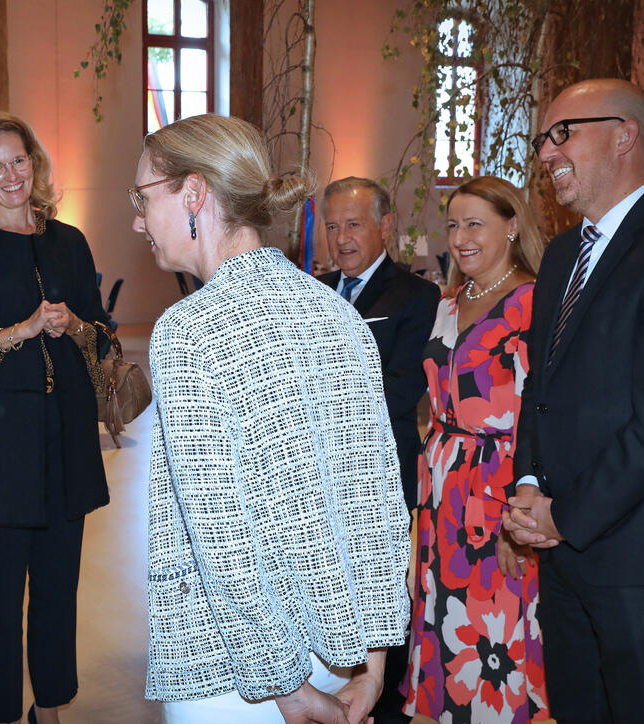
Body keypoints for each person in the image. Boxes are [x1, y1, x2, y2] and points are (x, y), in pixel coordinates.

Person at [133, 113, 410, 724]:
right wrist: (375, 662)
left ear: (195, 193)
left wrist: (284, 686)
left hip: (237, 669)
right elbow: (377, 499)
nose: (136, 219)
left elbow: (220, 534)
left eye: (142, 196)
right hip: (339, 644)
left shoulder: (188, 331)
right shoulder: (333, 313)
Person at [503, 78, 644, 723]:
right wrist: (530, 487)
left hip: (643, 565)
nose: (546, 153)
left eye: (564, 133)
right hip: (564, 553)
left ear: (625, 136)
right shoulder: (563, 253)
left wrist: (570, 515)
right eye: (542, 139)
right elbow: (543, 386)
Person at [0, 111, 110, 724]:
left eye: (19, 160)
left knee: (59, 591)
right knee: (2, 596)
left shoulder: (70, 241)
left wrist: (77, 326)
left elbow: (104, 342)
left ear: (35, 162)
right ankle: (1, 712)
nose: (11, 175)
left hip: (65, 445)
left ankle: (51, 707)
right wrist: (21, 331)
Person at [401, 176, 549, 723]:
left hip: (498, 489)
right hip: (441, 491)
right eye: (455, 224)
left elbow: (540, 416)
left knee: (495, 629)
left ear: (512, 226)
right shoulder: (451, 301)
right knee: (445, 616)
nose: (461, 237)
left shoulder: (533, 302)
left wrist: (520, 516)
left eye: (476, 224)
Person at [317, 177, 439, 724]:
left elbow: (400, 386)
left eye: (354, 224)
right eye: (333, 225)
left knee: (383, 604)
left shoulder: (415, 296)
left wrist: (313, 407)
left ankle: (384, 707)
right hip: (316, 480)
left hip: (381, 476)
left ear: (385, 226)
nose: (341, 238)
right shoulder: (311, 289)